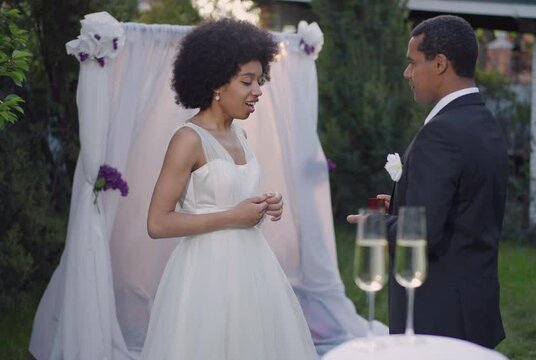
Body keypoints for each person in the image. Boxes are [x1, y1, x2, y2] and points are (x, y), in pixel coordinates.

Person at [141, 19, 317, 359]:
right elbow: (157, 223)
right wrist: (233, 216)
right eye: (247, 82)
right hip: (205, 274)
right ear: (215, 84)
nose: (258, 91)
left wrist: (266, 204)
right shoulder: (187, 140)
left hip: (252, 270)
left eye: (259, 80)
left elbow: (234, 199)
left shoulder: (240, 135)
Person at [348, 15, 507, 348]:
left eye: (412, 63)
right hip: (474, 306)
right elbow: (466, 203)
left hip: (438, 315)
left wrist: (374, 224)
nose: (407, 73)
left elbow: (421, 234)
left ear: (439, 64)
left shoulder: (441, 132)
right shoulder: (483, 121)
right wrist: (403, 202)